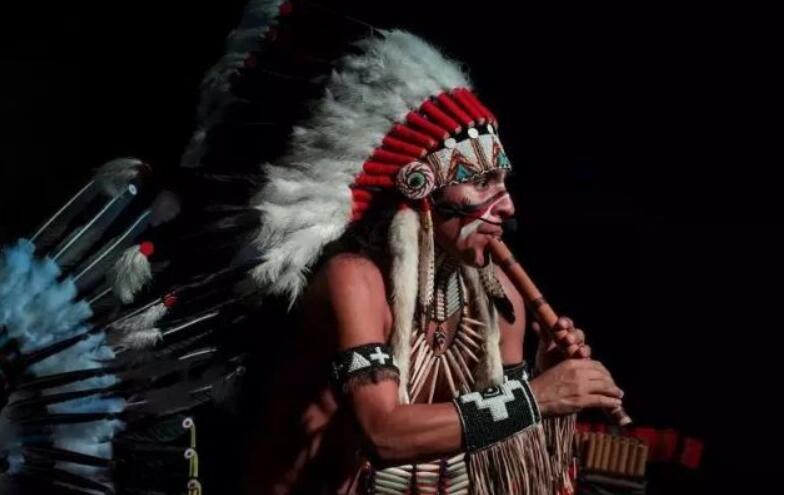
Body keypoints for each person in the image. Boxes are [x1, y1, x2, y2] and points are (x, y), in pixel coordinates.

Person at [0, 1, 623, 494]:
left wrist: (543, 383)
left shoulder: (501, 300)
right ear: (419, 187)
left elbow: (504, 453)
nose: (505, 206)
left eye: (503, 182)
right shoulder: (357, 279)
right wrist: (537, 396)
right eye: (481, 182)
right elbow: (383, 433)